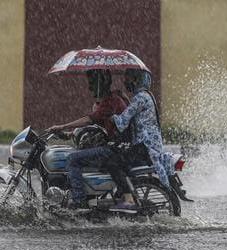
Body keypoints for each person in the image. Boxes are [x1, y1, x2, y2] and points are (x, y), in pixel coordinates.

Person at [47, 69, 127, 209]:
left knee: (72, 159)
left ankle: (79, 201)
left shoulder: (111, 101)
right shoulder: (110, 100)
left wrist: (62, 126)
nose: (90, 87)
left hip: (113, 148)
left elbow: (89, 120)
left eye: (93, 82)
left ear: (102, 82)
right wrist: (66, 134)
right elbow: (93, 127)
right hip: (115, 146)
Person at [106, 68, 174, 213]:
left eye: (128, 79)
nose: (125, 82)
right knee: (122, 159)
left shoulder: (140, 98)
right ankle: (125, 192)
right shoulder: (147, 95)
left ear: (136, 80)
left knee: (112, 162)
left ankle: (128, 199)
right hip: (151, 146)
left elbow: (123, 121)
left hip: (145, 146)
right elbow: (134, 111)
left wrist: (110, 115)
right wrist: (125, 98)